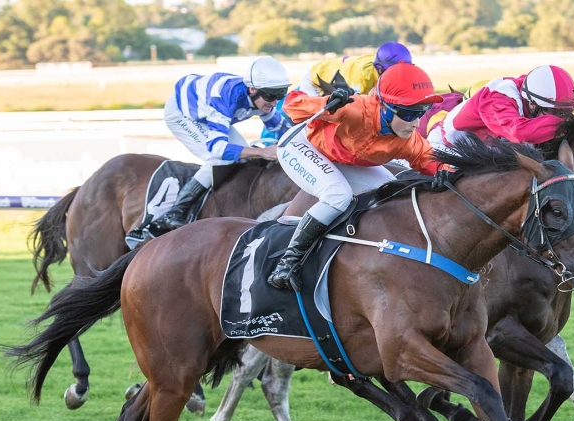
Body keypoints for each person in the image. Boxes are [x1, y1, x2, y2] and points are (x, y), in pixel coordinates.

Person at [267, 62, 452, 290]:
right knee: (338, 195)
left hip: (343, 159)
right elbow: (291, 105)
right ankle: (286, 264)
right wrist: (329, 104)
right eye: (408, 113)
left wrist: (447, 174)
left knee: (389, 191)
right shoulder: (354, 109)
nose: (415, 123)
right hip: (302, 146)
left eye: (421, 113)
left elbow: (429, 159)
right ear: (385, 107)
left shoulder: (408, 139)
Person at [132, 56, 293, 238]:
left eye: (280, 95)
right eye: (271, 96)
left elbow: (279, 128)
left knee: (242, 152)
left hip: (206, 112)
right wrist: (262, 152)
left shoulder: (262, 97)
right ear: (252, 89)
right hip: (182, 113)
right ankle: (175, 211)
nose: (274, 103)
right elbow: (218, 148)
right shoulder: (226, 97)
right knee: (219, 157)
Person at [258, 42, 413, 144]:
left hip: (337, 82)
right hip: (315, 81)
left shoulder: (380, 68)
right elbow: (355, 109)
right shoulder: (362, 75)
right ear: (379, 69)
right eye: (393, 72)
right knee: (322, 120)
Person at [427, 65, 574, 151]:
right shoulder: (498, 99)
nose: (560, 116)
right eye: (555, 112)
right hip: (449, 148)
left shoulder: (536, 89)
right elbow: (519, 133)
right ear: (532, 104)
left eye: (565, 112)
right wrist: (568, 123)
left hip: (486, 147)